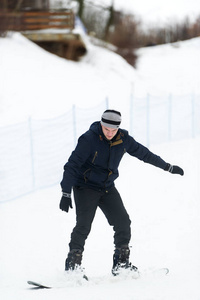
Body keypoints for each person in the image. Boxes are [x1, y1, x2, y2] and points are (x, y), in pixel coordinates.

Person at [60, 109, 184, 275]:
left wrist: (167, 166)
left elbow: (144, 154)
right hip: (86, 187)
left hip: (107, 187)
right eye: (107, 129)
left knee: (123, 222)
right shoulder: (88, 139)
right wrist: (66, 192)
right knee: (83, 226)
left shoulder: (123, 139)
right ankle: (72, 267)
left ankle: (121, 264)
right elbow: (72, 165)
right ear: (101, 125)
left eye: (113, 130)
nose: (110, 133)